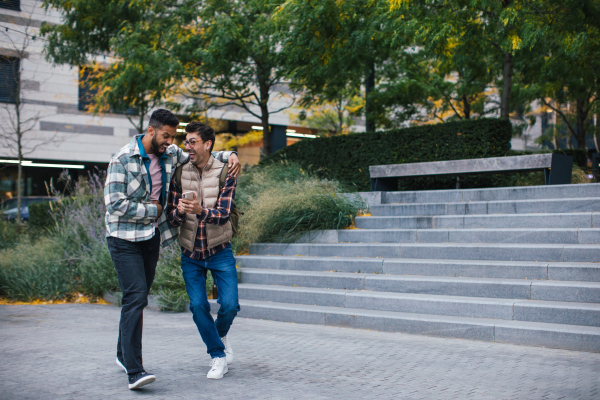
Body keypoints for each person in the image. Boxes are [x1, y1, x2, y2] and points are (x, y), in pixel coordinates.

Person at [104, 109, 240, 390]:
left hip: (150, 237)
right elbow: (113, 203)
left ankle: (121, 352)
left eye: (174, 137)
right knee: (136, 296)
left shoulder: (169, 153)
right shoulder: (121, 159)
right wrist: (151, 210)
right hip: (123, 237)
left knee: (137, 299)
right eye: (166, 136)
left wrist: (232, 155)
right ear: (151, 131)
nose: (172, 143)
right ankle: (135, 369)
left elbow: (205, 154)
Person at [166, 121, 239, 380]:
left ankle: (218, 334)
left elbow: (222, 215)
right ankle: (218, 356)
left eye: (193, 142)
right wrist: (179, 211)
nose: (188, 147)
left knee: (230, 305)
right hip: (190, 254)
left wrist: (200, 212)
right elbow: (171, 218)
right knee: (198, 306)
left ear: (208, 144)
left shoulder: (226, 171)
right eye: (186, 142)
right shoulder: (179, 171)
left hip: (220, 250)